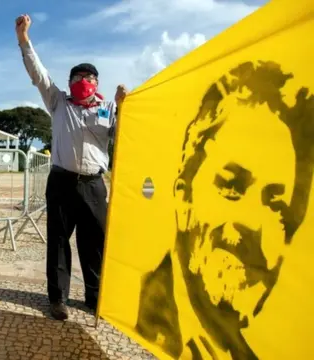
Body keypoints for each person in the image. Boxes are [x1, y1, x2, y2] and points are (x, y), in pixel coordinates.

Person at [135, 61, 314, 359]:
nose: (251, 222)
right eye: (231, 187)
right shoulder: (142, 311)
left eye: (276, 205)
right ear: (184, 196)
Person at [15, 13, 128, 320]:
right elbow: (39, 74)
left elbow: (128, 135)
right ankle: (57, 299)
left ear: (97, 83)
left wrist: (127, 105)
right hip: (62, 182)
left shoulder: (109, 110)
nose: (81, 83)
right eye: (76, 78)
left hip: (93, 184)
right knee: (58, 242)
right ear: (68, 83)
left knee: (94, 244)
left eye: (88, 78)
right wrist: (24, 41)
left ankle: (94, 297)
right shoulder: (58, 102)